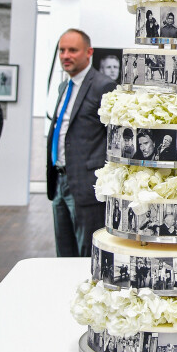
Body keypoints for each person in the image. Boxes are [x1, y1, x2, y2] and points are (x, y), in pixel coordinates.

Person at [47, 28, 115, 257]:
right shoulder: (63, 86)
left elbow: (113, 139)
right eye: (62, 50)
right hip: (60, 181)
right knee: (63, 251)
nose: (66, 55)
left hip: (85, 185)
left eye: (72, 50)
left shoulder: (103, 86)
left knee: (87, 253)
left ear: (89, 53)